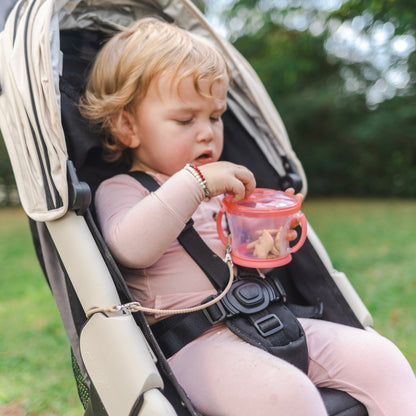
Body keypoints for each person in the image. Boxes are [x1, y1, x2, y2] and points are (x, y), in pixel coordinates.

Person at [80, 17, 416, 416]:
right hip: (195, 345)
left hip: (270, 320)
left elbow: (248, 261)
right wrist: (195, 183)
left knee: (381, 358)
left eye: (215, 116)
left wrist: (268, 232)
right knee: (286, 398)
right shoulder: (123, 188)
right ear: (127, 126)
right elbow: (131, 248)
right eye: (186, 120)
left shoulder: (226, 190)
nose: (206, 132)